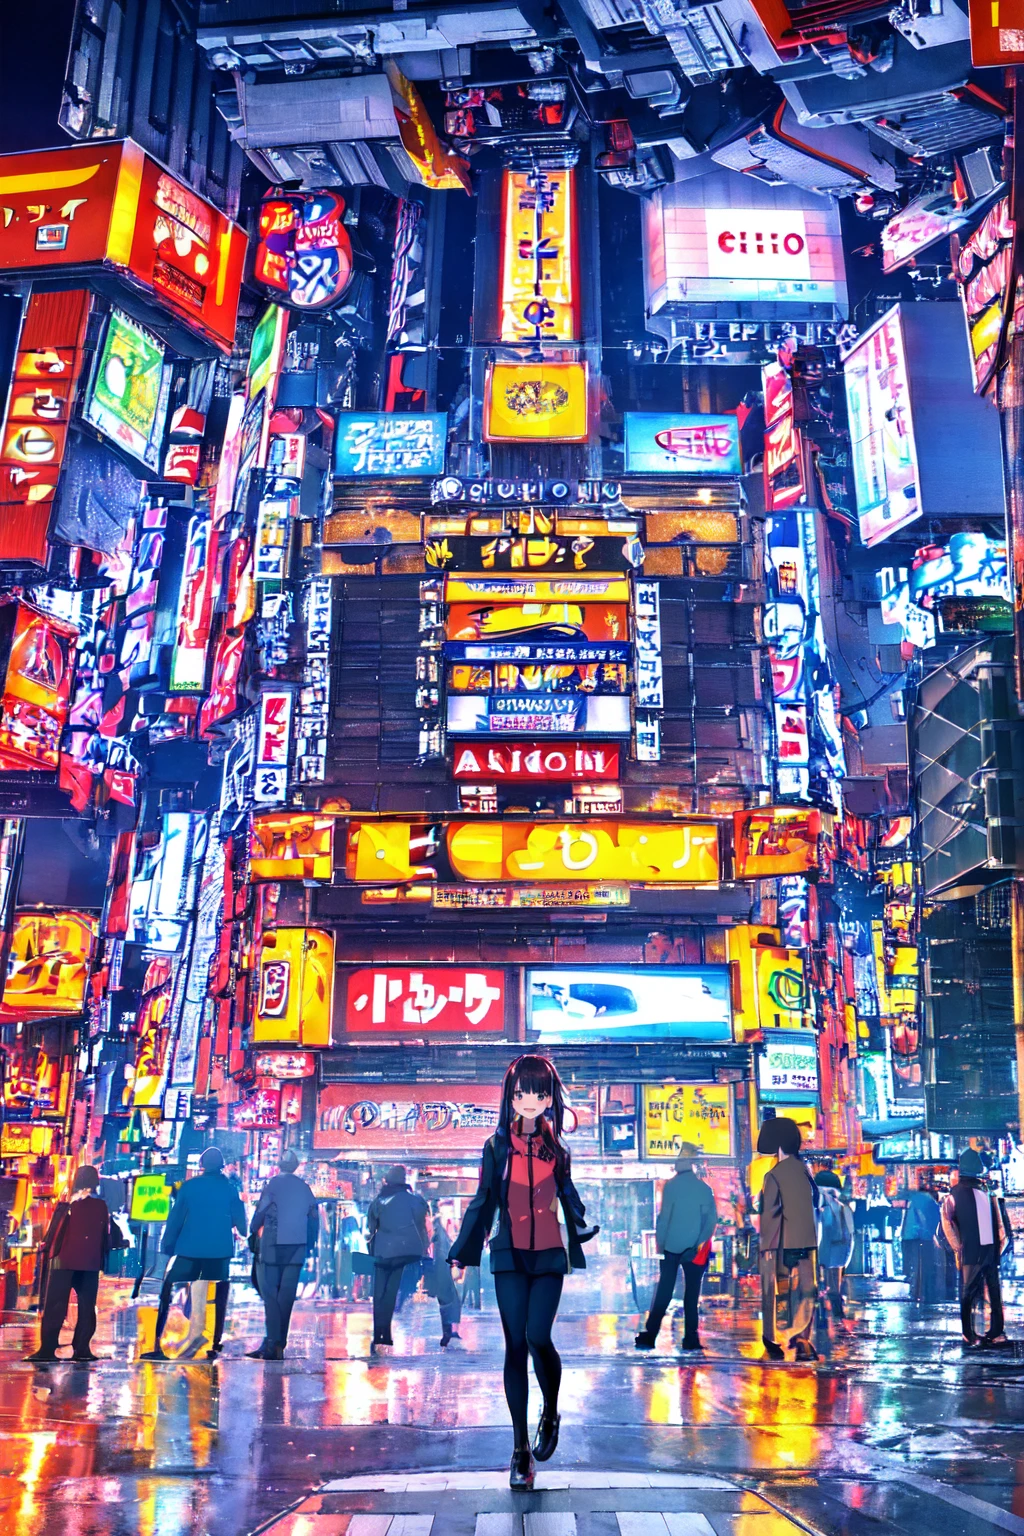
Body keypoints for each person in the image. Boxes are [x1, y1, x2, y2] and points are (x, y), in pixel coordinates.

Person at [449, 1054, 598, 1492]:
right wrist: (462, 1251)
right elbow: (482, 1201)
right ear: (509, 1097)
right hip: (509, 1253)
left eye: (539, 1092)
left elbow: (568, 1196)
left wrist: (582, 1224)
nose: (530, 1100)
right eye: (521, 1093)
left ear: (550, 1097)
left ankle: (550, 1410)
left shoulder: (559, 1149)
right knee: (515, 1344)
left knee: (538, 1337)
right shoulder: (495, 1147)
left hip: (550, 1253)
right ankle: (520, 1451)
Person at [141, 1147, 247, 1361]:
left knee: (167, 1289)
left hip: (190, 1249)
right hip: (218, 1251)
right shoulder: (229, 1188)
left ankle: (157, 1344)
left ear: (202, 1165)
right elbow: (241, 1224)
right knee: (218, 1294)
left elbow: (176, 1217)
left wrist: (167, 1244)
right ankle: (212, 1342)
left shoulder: (190, 1187)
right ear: (221, 1165)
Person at [27, 1166, 123, 1363]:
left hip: (64, 1261)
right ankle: (82, 1349)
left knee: (55, 1305)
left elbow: (53, 1233)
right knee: (87, 1306)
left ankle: (47, 1349)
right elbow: (105, 1234)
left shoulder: (67, 1205)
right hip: (90, 1262)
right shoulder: (101, 1206)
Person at [635, 1143, 717, 1352]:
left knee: (664, 1291)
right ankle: (690, 1338)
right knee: (691, 1295)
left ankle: (650, 1335)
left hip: (671, 1247)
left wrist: (661, 1245)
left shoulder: (671, 1187)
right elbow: (710, 1223)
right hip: (695, 1249)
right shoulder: (704, 1189)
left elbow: (664, 1219)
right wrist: (698, 1244)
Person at [757, 1118, 819, 1362]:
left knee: (770, 1292)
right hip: (807, 1241)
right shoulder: (805, 1172)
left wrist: (766, 1248)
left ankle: (772, 1343)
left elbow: (770, 1215)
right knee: (806, 1291)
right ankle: (803, 1338)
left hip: (780, 1243)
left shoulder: (774, 1175)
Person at [247, 1149, 319, 1360]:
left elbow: (261, 1211)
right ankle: (278, 1343)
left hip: (272, 1246)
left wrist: (253, 1228)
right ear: (296, 1167)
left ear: (279, 1165)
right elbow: (313, 1218)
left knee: (271, 1295)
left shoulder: (274, 1185)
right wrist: (310, 1244)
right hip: (296, 1248)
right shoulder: (304, 1188)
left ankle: (271, 1344)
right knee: (286, 1297)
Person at [941, 1149, 1013, 1350]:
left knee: (968, 1293)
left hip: (971, 1251)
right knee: (994, 1292)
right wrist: (1000, 1244)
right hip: (989, 1250)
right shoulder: (986, 1191)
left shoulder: (954, 1195)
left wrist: (957, 1246)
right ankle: (995, 1332)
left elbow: (946, 1222)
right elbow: (998, 1222)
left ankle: (969, 1333)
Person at [366, 1164, 429, 1354]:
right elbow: (421, 1225)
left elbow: (371, 1227)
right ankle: (386, 1334)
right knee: (392, 1291)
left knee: (379, 1293)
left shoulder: (379, 1201)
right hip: (403, 1252)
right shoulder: (415, 1201)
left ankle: (380, 1334)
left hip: (382, 1252)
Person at [814, 1172, 855, 1321]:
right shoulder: (843, 1206)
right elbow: (851, 1233)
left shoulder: (824, 1204)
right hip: (840, 1253)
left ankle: (823, 1318)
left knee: (823, 1286)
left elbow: (824, 1229)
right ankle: (836, 1315)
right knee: (833, 1287)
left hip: (826, 1251)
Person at [901, 1180, 942, 1304]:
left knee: (914, 1266)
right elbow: (934, 1220)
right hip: (923, 1237)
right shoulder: (929, 1201)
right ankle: (924, 1293)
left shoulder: (914, 1198)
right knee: (925, 1267)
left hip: (909, 1236)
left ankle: (915, 1292)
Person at [427, 1205, 463, 1348]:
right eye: (449, 1209)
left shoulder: (445, 1226)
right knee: (448, 1300)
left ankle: (449, 1332)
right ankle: (447, 1333)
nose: (452, 1212)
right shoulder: (436, 1226)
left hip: (444, 1267)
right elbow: (433, 1248)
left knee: (451, 1301)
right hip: (440, 1268)